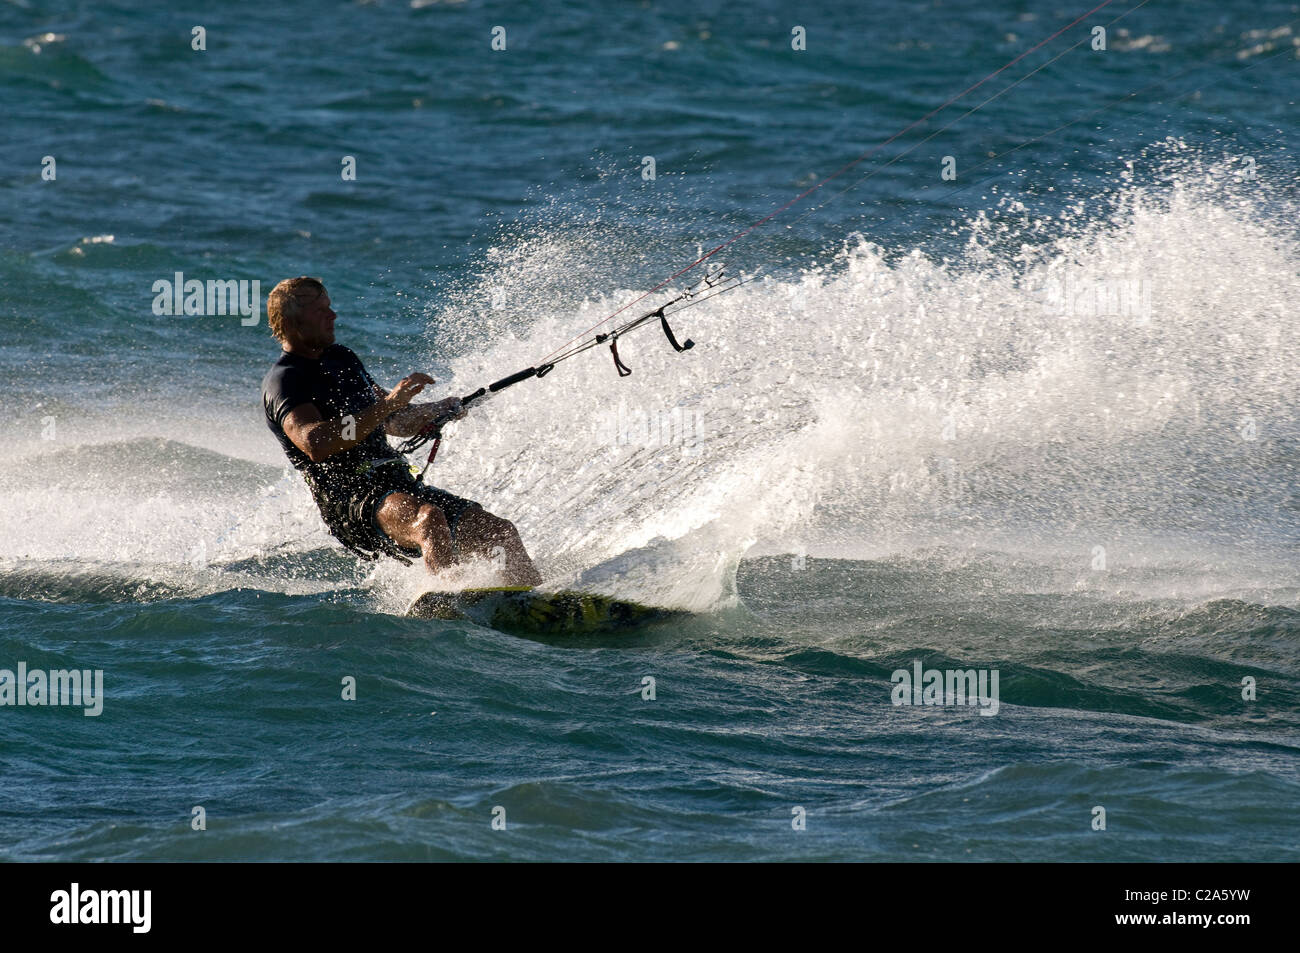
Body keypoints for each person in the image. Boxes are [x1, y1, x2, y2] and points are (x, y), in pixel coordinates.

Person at [260, 276, 541, 585]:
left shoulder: (342, 359)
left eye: (329, 307)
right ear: (291, 321)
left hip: (397, 484)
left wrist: (439, 409)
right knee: (430, 521)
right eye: (320, 310)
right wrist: (389, 404)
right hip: (352, 500)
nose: (333, 316)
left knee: (499, 532)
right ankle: (448, 606)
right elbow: (316, 443)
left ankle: (533, 603)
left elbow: (395, 421)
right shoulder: (285, 381)